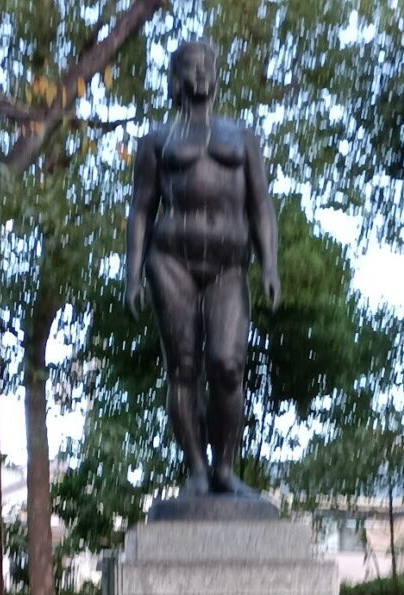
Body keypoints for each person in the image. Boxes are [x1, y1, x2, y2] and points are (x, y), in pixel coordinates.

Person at [125, 39, 281, 497]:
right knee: (184, 366)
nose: (199, 73)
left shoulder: (242, 136)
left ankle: (224, 468)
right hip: (171, 258)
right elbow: (141, 209)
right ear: (176, 79)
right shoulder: (158, 140)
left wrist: (270, 264)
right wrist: (132, 273)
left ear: (216, 76)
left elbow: (261, 204)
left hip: (228, 263)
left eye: (206, 66)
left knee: (227, 364)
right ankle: (196, 468)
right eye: (190, 67)